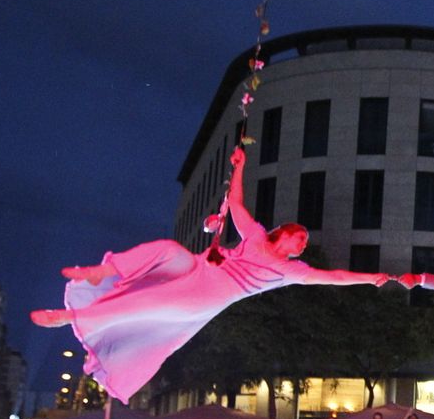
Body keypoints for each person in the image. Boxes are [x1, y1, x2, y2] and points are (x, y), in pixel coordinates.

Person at [31, 146, 389, 400]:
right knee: (168, 250)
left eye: (304, 244)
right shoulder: (255, 236)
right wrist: (239, 164)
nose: (303, 245)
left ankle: (71, 316)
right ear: (286, 232)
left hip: (207, 295)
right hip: (201, 267)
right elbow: (235, 203)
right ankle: (102, 270)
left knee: (147, 301)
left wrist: (369, 277)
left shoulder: (288, 271)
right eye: (301, 238)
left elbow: (334, 277)